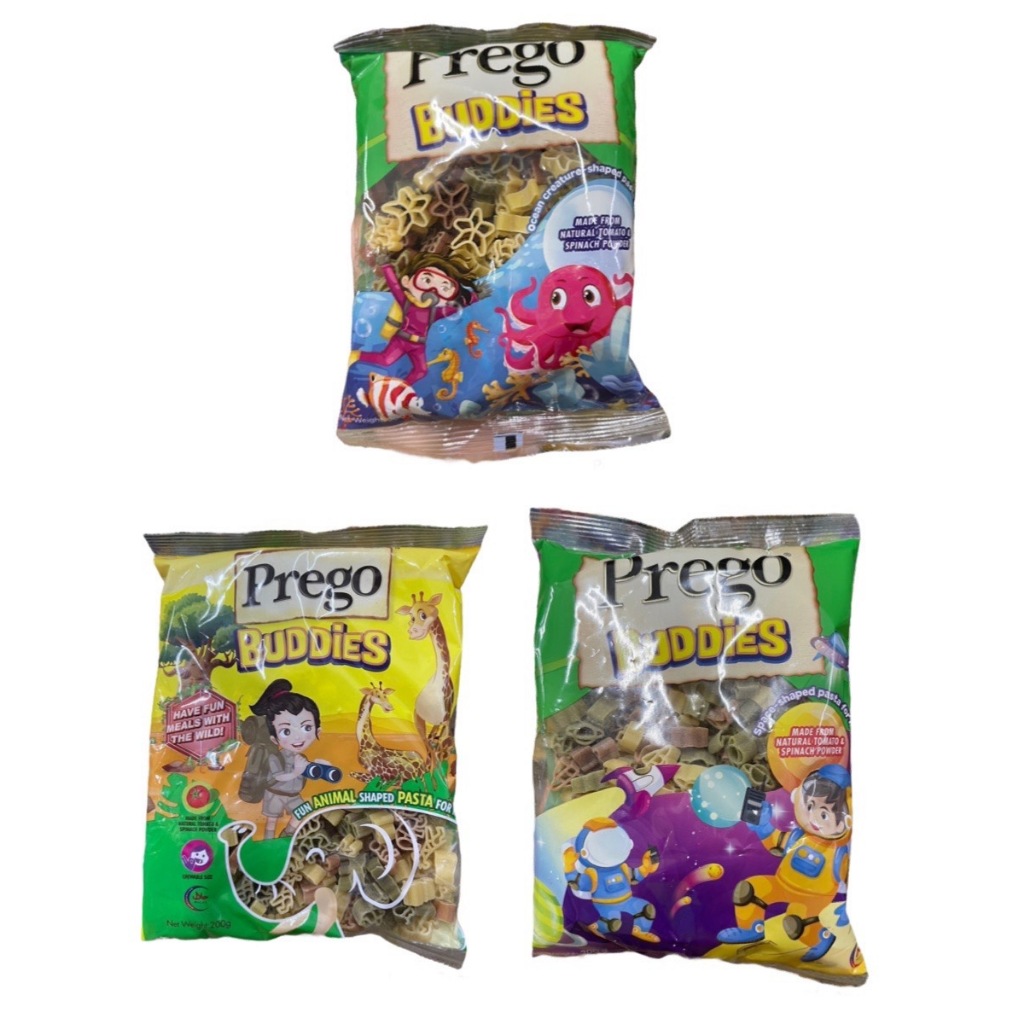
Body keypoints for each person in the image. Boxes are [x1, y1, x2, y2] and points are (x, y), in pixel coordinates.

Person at [356, 254, 478, 384]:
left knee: (421, 371)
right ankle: (356, 355)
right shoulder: (407, 303)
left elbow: (458, 307)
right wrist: (386, 266)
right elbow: (394, 286)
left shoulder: (435, 312)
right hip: (402, 340)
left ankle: (401, 387)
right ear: (406, 282)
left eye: (444, 288)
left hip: (419, 345)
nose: (433, 291)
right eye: (426, 280)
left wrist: (474, 296)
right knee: (386, 360)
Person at [248, 679, 322, 840]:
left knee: (303, 812)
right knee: (271, 821)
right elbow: (279, 777)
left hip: (294, 795)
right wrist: (296, 771)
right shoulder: (274, 756)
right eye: (286, 731)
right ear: (274, 739)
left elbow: (307, 773)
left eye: (307, 728)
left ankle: (287, 836)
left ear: (318, 731)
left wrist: (321, 768)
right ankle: (267, 844)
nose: (298, 737)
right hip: (275, 794)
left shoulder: (301, 757)